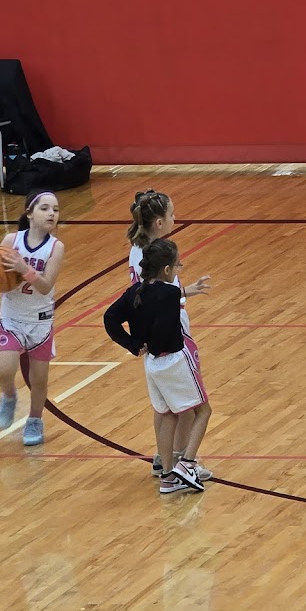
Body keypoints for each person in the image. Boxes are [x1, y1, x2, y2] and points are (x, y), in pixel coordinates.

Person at [104, 238, 212, 494]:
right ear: (166, 269)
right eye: (177, 265)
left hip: (152, 364)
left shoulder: (134, 293)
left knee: (167, 416)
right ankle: (187, 464)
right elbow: (168, 302)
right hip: (175, 361)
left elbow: (110, 318)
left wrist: (132, 344)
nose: (178, 268)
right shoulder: (170, 294)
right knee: (203, 411)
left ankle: (167, 476)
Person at [127, 189, 213, 480]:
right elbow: (158, 297)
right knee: (188, 406)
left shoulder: (140, 250)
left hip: (154, 333)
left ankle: (163, 459)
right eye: (172, 214)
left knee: (164, 406)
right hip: (172, 334)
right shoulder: (157, 254)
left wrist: (188, 290)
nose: (176, 218)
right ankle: (183, 462)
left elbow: (153, 294)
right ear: (159, 223)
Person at [0, 190, 65, 446]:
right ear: (29, 213)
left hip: (40, 321)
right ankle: (8, 395)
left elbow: (46, 286)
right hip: (12, 317)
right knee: (4, 371)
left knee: (38, 380)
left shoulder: (56, 247)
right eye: (45, 208)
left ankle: (35, 419)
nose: (51, 213)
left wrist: (24, 269)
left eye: (55, 209)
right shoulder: (11, 240)